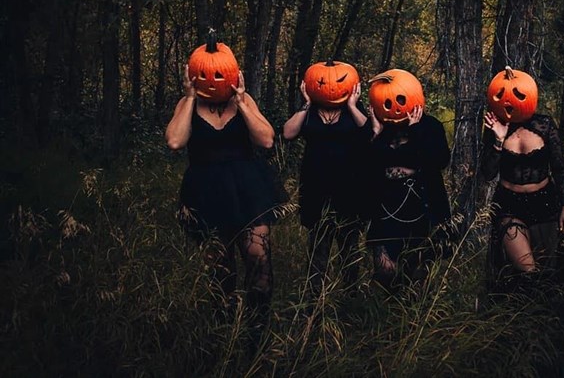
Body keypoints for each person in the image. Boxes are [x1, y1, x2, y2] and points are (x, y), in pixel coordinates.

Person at [165, 62, 285, 349]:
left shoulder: (243, 100)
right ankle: (225, 331)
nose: (213, 79)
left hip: (248, 189)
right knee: (220, 267)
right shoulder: (187, 103)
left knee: (258, 257)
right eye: (206, 74)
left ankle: (256, 332)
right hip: (206, 192)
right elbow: (174, 141)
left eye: (220, 73)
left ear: (232, 74)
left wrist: (242, 101)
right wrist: (190, 96)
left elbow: (266, 140)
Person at [282, 80, 369, 297]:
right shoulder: (309, 111)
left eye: (339, 80)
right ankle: (314, 299)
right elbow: (288, 133)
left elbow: (370, 133)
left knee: (349, 246)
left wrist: (351, 105)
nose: (330, 85)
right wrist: (307, 103)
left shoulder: (354, 110)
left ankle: (350, 296)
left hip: (349, 188)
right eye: (322, 81)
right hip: (316, 189)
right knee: (318, 248)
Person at [482, 104, 564, 297]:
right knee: (527, 270)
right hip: (509, 204)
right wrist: (498, 140)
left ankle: (543, 317)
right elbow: (488, 174)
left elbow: (559, 168)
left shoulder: (545, 124)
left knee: (550, 269)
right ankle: (527, 311)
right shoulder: (495, 126)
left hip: (545, 201)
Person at [366, 99, 452, 291]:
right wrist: (376, 133)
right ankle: (384, 314)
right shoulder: (379, 126)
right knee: (385, 272)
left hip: (421, 207)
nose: (395, 103)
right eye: (387, 100)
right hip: (387, 208)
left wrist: (415, 130)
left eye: (401, 99)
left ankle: (413, 318)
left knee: (417, 275)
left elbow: (439, 160)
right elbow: (366, 166)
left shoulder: (430, 126)